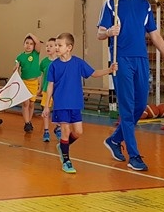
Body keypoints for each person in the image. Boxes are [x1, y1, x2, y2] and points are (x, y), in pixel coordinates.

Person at [98, 0, 164, 172]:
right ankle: (134, 155)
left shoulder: (144, 5)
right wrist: (109, 32)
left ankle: (114, 140)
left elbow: (155, 35)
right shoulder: (112, 3)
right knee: (127, 109)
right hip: (121, 60)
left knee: (140, 105)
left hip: (141, 59)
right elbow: (100, 33)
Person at [43, 33, 115, 174]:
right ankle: (66, 161)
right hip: (61, 104)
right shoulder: (53, 66)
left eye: (59, 45)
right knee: (65, 130)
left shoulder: (78, 63)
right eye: (56, 45)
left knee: (78, 132)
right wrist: (47, 105)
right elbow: (50, 85)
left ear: (69, 47)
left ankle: (63, 146)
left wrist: (109, 70)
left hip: (75, 103)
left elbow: (93, 73)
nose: (56, 48)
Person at [16, 34, 43, 133]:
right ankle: (26, 122)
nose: (28, 45)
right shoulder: (20, 57)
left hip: (34, 83)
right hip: (24, 82)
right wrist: (15, 68)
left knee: (31, 104)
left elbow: (38, 42)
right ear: (23, 44)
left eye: (31, 44)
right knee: (25, 103)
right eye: (27, 43)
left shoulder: (35, 53)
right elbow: (16, 67)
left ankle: (29, 121)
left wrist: (30, 34)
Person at [39, 37, 59, 143]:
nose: (48, 48)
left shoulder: (60, 61)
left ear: (56, 47)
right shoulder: (44, 62)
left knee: (58, 109)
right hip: (47, 90)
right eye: (47, 46)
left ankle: (58, 127)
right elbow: (42, 76)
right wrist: (40, 88)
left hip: (58, 90)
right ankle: (46, 131)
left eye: (51, 46)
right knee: (46, 110)